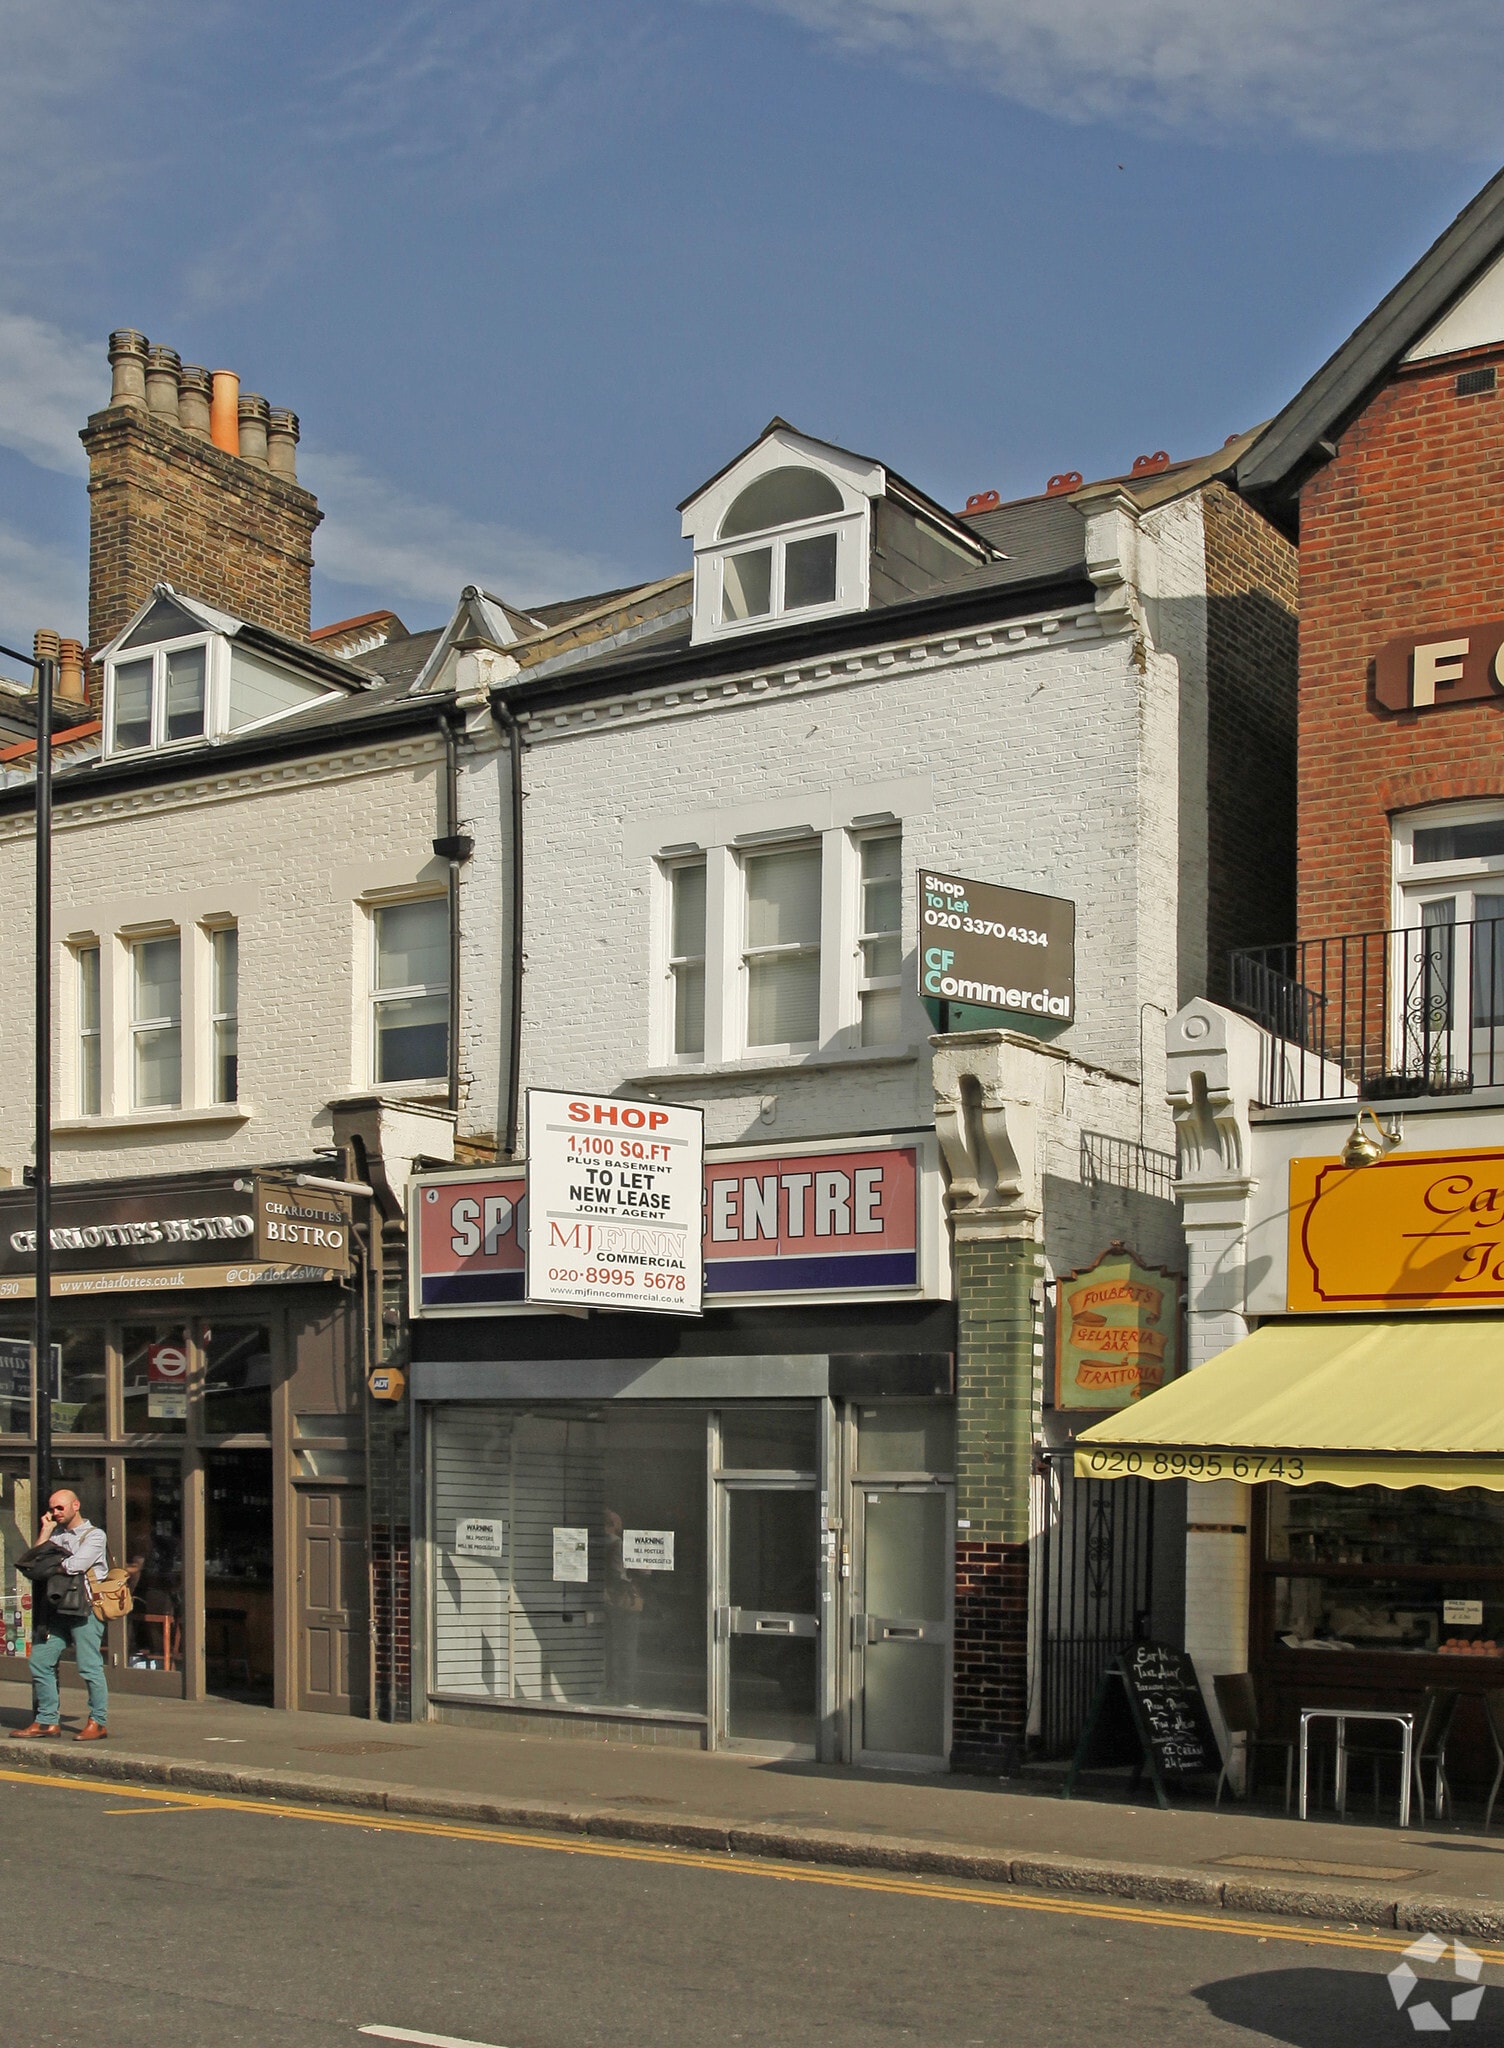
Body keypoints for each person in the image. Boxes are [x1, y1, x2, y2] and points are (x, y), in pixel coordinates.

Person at [11, 1488, 108, 1741]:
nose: (55, 1513)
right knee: (40, 1661)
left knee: (89, 1667)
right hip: (57, 1609)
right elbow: (33, 1561)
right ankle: (46, 1721)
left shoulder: (95, 1535)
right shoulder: (55, 1534)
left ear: (76, 1505)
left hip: (85, 1609)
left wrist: (48, 1565)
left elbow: (76, 1565)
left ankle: (98, 1721)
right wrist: (44, 1532)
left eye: (60, 1508)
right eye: (52, 1509)